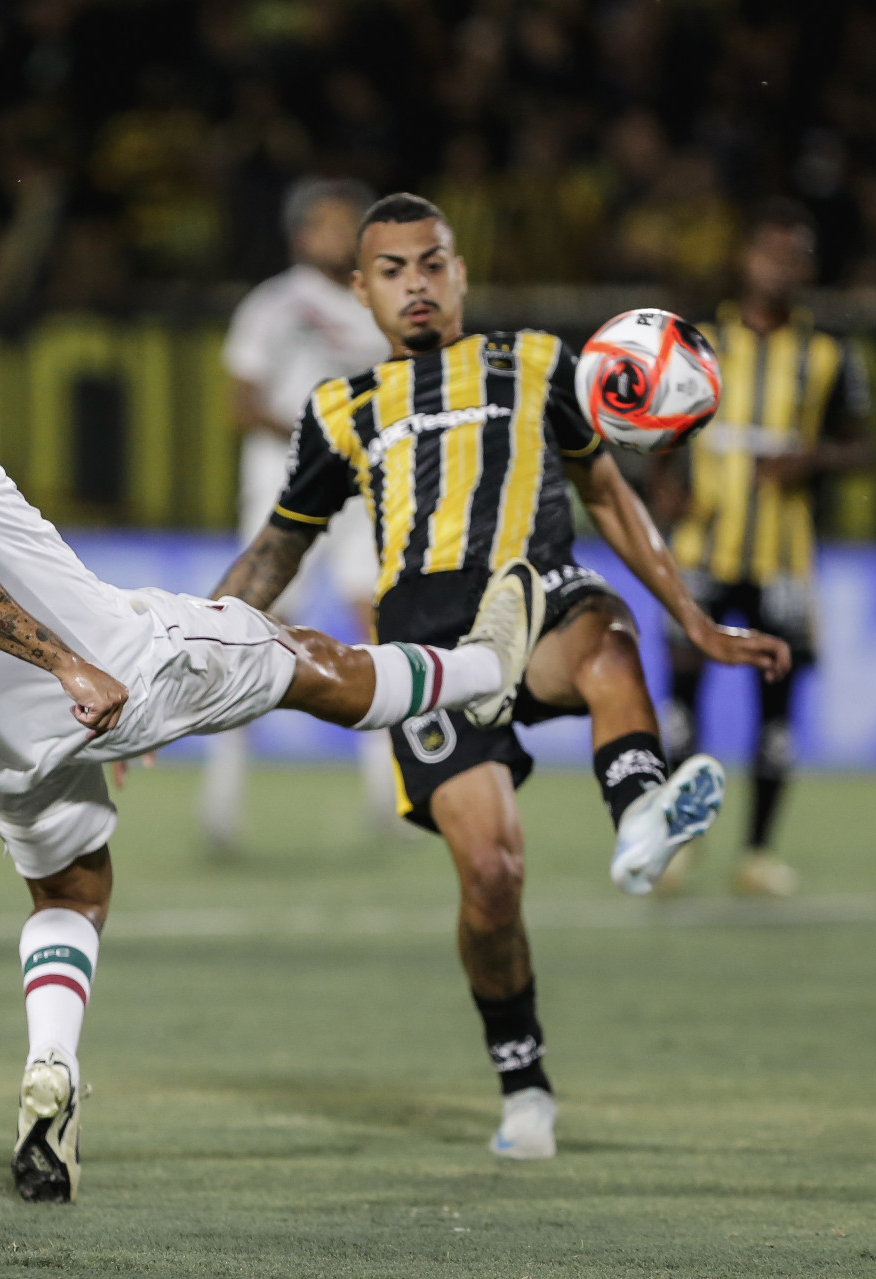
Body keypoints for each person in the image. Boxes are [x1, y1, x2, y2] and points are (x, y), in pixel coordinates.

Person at [0, 214, 549, 1204]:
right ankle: (484, 671)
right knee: (300, 654)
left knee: (73, 891)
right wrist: (70, 665)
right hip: (109, 665)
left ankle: (49, 1069)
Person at [212, 194, 791, 1162]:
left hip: (536, 595)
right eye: (392, 271)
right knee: (492, 876)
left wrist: (690, 612)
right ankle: (524, 1081)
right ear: (361, 291)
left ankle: (642, 811)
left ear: (462, 271)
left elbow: (607, 490)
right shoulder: (339, 410)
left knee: (606, 631)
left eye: (432, 263)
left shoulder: (537, 363)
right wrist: (177, 662)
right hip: (430, 650)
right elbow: (273, 556)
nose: (417, 285)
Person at [659, 200, 872, 897]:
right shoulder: (699, 340)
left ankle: (757, 851)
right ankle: (681, 844)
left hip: (783, 558)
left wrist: (810, 459)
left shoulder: (830, 354)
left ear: (807, 267)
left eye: (794, 254)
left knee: (777, 712)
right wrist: (662, 487)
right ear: (744, 260)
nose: (780, 265)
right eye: (768, 251)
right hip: (699, 548)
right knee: (683, 698)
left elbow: (865, 446)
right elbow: (653, 424)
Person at [205, 177, 395, 853]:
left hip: (362, 488)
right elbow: (240, 402)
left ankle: (389, 796)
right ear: (299, 234)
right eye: (326, 223)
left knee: (372, 620)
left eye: (349, 222)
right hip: (285, 485)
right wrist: (315, 434)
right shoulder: (275, 304)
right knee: (257, 629)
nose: (339, 233)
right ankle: (222, 799)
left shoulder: (379, 304)